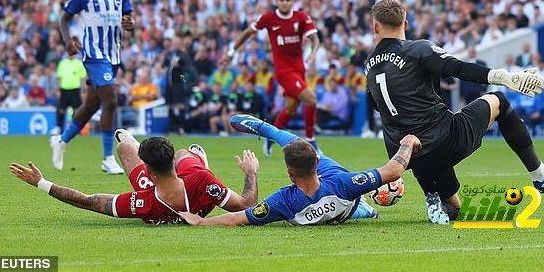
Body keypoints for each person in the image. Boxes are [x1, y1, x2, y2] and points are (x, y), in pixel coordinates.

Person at [364, 0, 544, 224]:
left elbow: (376, 105)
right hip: (443, 140)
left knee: (455, 208)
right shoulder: (418, 49)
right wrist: (504, 77)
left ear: (375, 27)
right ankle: (541, 175)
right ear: (405, 25)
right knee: (498, 100)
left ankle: (434, 200)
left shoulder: (369, 64)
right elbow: (458, 68)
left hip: (405, 155)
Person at [177, 114, 420, 226]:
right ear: (316, 162)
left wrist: (200, 222)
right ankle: (267, 130)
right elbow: (394, 170)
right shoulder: (344, 182)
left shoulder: (283, 201)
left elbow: (237, 218)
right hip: (348, 204)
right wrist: (407, 142)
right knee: (358, 206)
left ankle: (266, 129)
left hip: (331, 205)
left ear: (289, 173)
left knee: (294, 145)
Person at [11, 130, 259, 224]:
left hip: (154, 190)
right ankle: (182, 155)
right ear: (171, 162)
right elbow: (247, 204)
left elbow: (88, 200)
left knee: (123, 143)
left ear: (148, 172)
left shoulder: (141, 203)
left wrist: (41, 182)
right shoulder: (202, 180)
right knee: (188, 153)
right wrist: (250, 172)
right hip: (189, 182)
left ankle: (136, 145)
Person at [50, 0, 135, 174]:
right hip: (94, 54)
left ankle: (62, 140)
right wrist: (68, 40)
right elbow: (64, 18)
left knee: (92, 105)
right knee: (112, 101)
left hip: (114, 55)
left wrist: (130, 24)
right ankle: (108, 158)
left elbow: (129, 18)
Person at [222, 0, 320, 157]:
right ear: (276, 1)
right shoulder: (268, 18)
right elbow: (248, 32)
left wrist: (313, 52)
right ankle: (311, 139)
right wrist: (231, 52)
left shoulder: (301, 17)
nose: (285, 3)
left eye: (288, 0)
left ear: (292, 1)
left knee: (290, 109)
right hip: (284, 71)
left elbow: (315, 38)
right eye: (281, 0)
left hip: (299, 70)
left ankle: (270, 137)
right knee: (311, 99)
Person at [52, 54, 87, 135]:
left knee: (76, 110)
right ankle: (58, 127)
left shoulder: (79, 63)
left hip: (75, 90)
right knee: (61, 110)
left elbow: (83, 78)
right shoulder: (62, 63)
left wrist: (83, 91)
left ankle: (74, 129)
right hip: (64, 90)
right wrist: (58, 90)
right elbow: (59, 78)